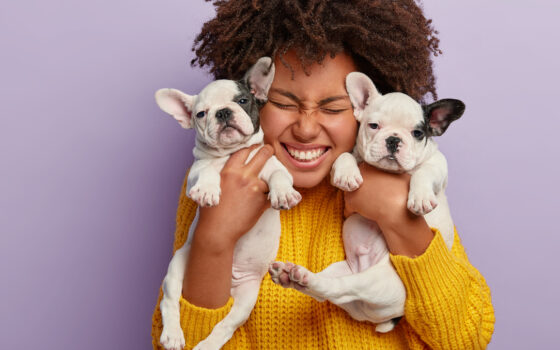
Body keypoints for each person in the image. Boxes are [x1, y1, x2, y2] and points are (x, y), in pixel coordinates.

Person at [152, 0, 495, 349]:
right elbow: (176, 343)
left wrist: (401, 219)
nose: (305, 128)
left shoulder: (410, 179)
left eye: (332, 107)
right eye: (284, 103)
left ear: (365, 107)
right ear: (254, 97)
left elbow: (466, 338)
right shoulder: (219, 180)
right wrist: (214, 240)